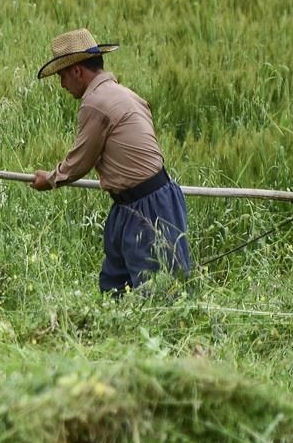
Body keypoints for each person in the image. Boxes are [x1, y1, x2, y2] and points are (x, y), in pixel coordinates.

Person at [28, 28, 191, 294]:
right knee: (117, 285)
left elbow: (81, 160)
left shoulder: (96, 103)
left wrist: (50, 179)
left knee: (160, 293)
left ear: (78, 71)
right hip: (139, 202)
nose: (62, 85)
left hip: (148, 208)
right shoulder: (126, 94)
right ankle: (118, 334)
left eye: (62, 76)